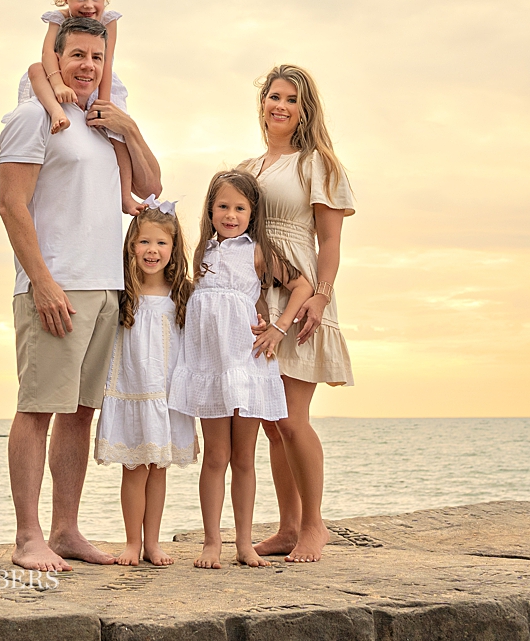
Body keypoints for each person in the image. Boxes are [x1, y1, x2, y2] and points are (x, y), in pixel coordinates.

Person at [0, 16, 162, 573]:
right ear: (56, 58)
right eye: (77, 56)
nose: (87, 65)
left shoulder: (102, 123)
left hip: (106, 288)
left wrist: (130, 128)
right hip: (55, 285)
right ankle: (28, 537)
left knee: (79, 414)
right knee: (38, 408)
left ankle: (66, 530)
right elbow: (11, 206)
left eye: (97, 56)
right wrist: (41, 281)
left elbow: (149, 187)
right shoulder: (33, 117)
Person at [168, 170, 313, 569]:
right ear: (210, 210)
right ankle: (211, 542)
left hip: (247, 365)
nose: (230, 215)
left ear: (253, 213)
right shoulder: (202, 253)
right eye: (223, 207)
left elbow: (302, 286)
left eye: (239, 208)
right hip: (210, 366)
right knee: (215, 455)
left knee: (244, 458)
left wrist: (279, 328)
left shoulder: (258, 252)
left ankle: (244, 544)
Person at [244, 64, 356, 564]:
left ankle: (314, 526)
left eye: (291, 98)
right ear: (262, 102)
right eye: (273, 96)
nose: (280, 105)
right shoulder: (248, 169)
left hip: (300, 295)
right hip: (256, 298)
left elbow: (329, 241)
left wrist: (322, 296)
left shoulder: (318, 164)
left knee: (292, 419)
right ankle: (287, 526)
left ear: (304, 108)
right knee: (271, 421)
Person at [94, 200, 198, 566]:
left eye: (161, 244)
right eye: (143, 243)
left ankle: (153, 542)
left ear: (174, 249)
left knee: (159, 469)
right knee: (135, 469)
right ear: (130, 246)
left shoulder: (181, 293)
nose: (152, 251)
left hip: (168, 393)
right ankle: (131, 543)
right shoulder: (123, 291)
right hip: (133, 390)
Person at [14, 0, 138, 214]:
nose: (88, 5)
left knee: (118, 136)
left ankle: (125, 194)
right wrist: (57, 83)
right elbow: (48, 53)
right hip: (58, 73)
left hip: (97, 79)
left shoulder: (109, 21)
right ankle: (57, 112)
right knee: (35, 69)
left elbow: (107, 61)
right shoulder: (57, 19)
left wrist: (103, 104)